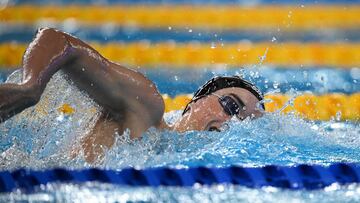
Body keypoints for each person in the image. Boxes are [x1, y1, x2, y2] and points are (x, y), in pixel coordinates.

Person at [0, 28, 264, 162]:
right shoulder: (146, 108)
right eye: (230, 105)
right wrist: (30, 87)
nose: (233, 122)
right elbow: (58, 40)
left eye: (245, 121)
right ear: (195, 103)